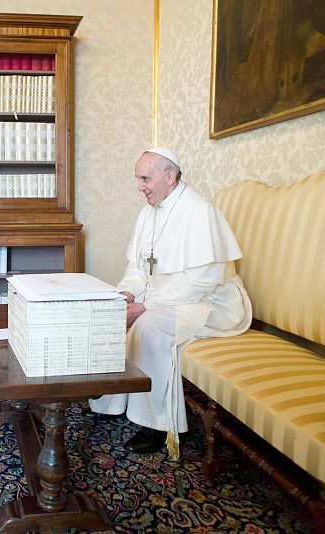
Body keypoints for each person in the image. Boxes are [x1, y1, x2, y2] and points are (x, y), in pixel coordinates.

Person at [89, 147, 252, 457]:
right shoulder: (148, 212)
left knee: (150, 324)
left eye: (145, 178)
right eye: (138, 179)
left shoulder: (199, 211)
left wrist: (147, 306)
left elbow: (202, 280)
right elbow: (138, 269)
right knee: (113, 310)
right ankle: (112, 401)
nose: (140, 186)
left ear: (170, 175)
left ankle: (155, 424)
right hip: (169, 297)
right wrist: (127, 295)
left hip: (210, 303)